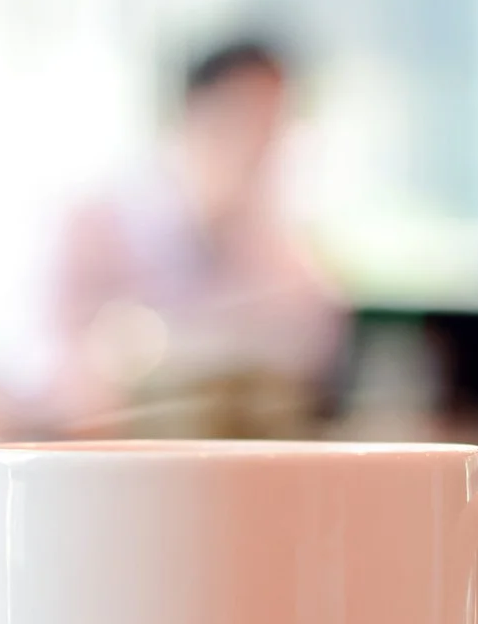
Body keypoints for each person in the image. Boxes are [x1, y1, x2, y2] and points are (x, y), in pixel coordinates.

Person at [27, 37, 344, 430]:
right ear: (192, 112)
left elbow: (315, 342)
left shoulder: (279, 244)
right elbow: (42, 359)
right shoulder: (96, 221)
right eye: (244, 117)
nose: (260, 144)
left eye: (274, 124)